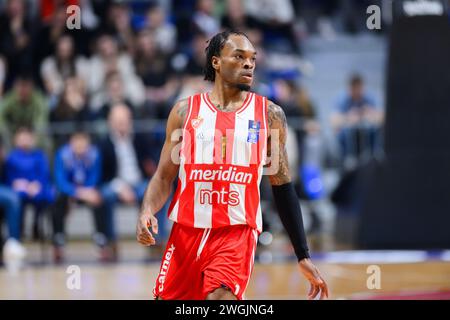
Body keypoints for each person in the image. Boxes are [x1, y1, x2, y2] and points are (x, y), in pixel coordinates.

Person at [136, 30, 328, 300]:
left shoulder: (269, 115)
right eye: (239, 57)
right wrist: (147, 211)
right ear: (216, 62)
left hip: (236, 232)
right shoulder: (184, 112)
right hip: (186, 232)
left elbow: (282, 186)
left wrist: (302, 254)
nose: (249, 63)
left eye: (252, 58)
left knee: (221, 298)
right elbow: (164, 177)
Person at [99, 104, 162, 260]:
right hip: (115, 184)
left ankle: (154, 239)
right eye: (118, 121)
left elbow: (149, 163)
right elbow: (103, 176)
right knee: (105, 196)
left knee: (153, 193)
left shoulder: (139, 139)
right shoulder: (103, 143)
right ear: (110, 122)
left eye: (125, 120)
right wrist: (121, 188)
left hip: (138, 183)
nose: (122, 124)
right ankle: (111, 241)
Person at [52, 131, 106, 263]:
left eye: (83, 141)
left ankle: (101, 240)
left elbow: (95, 176)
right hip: (69, 191)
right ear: (71, 142)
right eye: (77, 141)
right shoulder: (62, 155)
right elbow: (60, 181)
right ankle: (59, 240)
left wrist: (87, 191)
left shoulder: (94, 154)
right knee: (58, 199)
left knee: (99, 198)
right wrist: (76, 192)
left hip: (88, 190)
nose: (80, 145)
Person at [3, 127, 54, 240]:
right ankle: (18, 230)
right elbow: (9, 177)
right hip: (19, 190)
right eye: (22, 138)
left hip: (36, 188)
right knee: (16, 198)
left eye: (27, 138)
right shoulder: (11, 157)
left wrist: (37, 184)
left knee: (48, 196)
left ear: (33, 140)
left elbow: (44, 174)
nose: (25, 141)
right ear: (16, 140)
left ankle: (37, 225)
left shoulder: (39, 155)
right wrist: (21, 185)